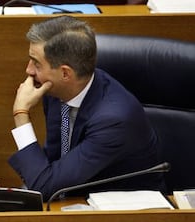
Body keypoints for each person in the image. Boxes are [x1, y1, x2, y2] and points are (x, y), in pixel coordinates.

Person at [8, 15, 165, 201]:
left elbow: (45, 187)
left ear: (65, 73)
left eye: (36, 63)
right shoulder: (57, 92)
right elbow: (53, 163)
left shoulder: (115, 120)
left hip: (124, 211)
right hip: (70, 198)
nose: (29, 71)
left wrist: (21, 114)